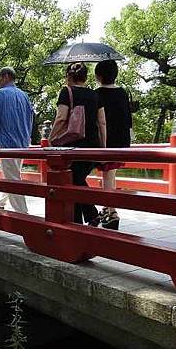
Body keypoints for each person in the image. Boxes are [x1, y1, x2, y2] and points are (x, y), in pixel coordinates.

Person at [50, 62, 106, 226]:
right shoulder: (95, 95)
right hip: (92, 147)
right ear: (85, 77)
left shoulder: (66, 92)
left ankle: (90, 215)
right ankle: (80, 220)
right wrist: (103, 148)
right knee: (76, 180)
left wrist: (51, 139)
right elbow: (102, 123)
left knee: (74, 180)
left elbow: (61, 118)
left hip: (73, 145)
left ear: (69, 76)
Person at [0, 67, 33, 213]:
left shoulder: (1, 94)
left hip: (7, 142)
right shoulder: (24, 95)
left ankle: (22, 213)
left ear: (6, 76)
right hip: (23, 142)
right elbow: (30, 117)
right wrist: (27, 136)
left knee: (12, 177)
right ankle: (1, 201)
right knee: (13, 172)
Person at [94, 60, 132, 230]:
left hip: (106, 140)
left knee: (107, 175)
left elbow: (98, 121)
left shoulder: (97, 94)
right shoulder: (123, 93)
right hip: (121, 140)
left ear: (99, 76)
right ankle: (107, 208)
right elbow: (128, 118)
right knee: (111, 175)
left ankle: (112, 211)